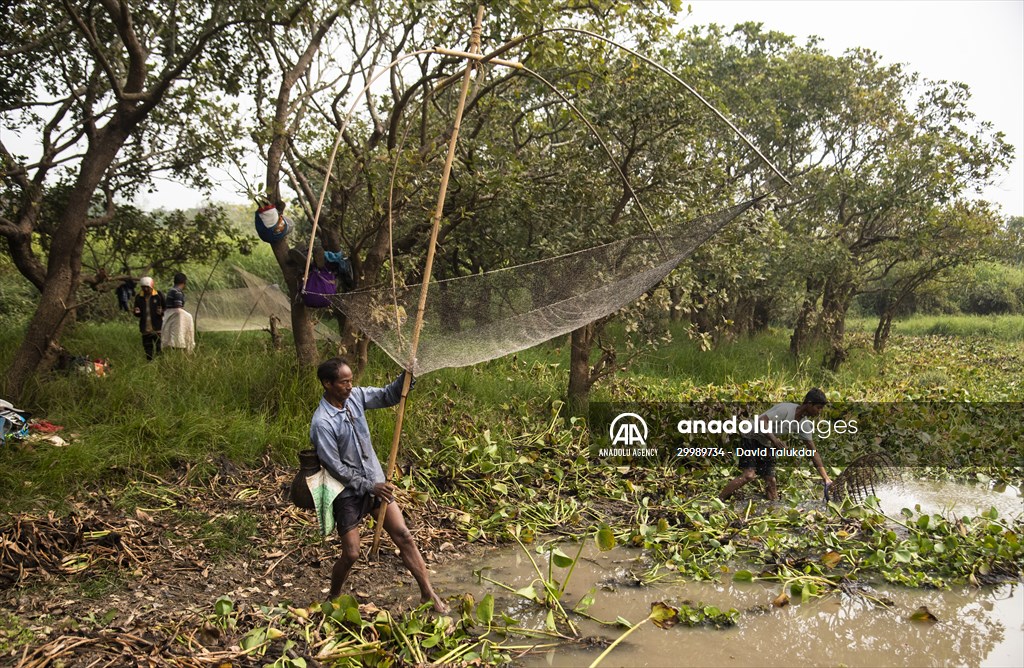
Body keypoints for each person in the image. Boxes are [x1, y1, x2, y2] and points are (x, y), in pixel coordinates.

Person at [310, 358, 447, 612]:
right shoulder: (322, 423)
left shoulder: (356, 398)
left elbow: (388, 395)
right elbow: (335, 467)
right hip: (347, 492)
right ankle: (334, 595)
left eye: (351, 380)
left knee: (403, 535)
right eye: (344, 382)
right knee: (351, 554)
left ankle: (428, 594)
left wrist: (407, 374)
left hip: (375, 482)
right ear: (327, 384)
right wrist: (369, 486)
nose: (350, 386)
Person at [719, 388, 832, 501]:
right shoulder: (786, 410)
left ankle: (773, 508)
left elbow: (813, 452)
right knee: (749, 475)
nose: (819, 412)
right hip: (751, 436)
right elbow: (762, 421)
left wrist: (826, 478)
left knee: (771, 482)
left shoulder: (804, 425)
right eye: (818, 408)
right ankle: (719, 500)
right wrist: (775, 440)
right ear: (809, 404)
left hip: (766, 442)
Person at [161, 272, 195, 352]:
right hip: (176, 319)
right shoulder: (178, 292)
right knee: (178, 338)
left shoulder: (170, 291)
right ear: (184, 283)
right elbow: (178, 307)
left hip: (169, 316)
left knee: (172, 338)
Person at [133, 276, 164, 360]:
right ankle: (149, 364)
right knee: (148, 350)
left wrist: (162, 312)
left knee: (159, 349)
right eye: (143, 287)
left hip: (157, 328)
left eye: (147, 287)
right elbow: (136, 312)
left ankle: (160, 365)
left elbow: (166, 309)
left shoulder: (158, 295)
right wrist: (136, 312)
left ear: (151, 287)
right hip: (145, 329)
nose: (145, 289)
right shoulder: (139, 297)